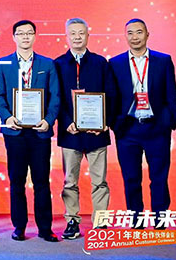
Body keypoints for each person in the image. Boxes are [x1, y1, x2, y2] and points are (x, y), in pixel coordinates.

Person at [0, 20, 60, 242]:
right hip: (14, 132)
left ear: (35, 36)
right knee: (17, 180)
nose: (25, 37)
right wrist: (7, 117)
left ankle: (45, 228)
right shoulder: (3, 64)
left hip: (40, 131)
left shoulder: (47, 64)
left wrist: (48, 120)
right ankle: (19, 226)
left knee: (41, 181)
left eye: (29, 33)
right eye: (20, 33)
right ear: (14, 37)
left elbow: (55, 96)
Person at [109, 19, 176, 228]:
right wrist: (115, 124)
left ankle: (160, 220)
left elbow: (171, 95)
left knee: (159, 177)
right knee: (131, 178)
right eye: (130, 33)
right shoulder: (115, 63)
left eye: (139, 32)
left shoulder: (163, 60)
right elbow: (112, 97)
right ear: (125, 36)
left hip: (157, 128)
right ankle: (136, 220)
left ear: (147, 34)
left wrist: (168, 122)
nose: (135, 37)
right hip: (128, 129)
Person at [53, 18, 117, 239]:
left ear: (88, 35)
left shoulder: (100, 63)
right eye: (73, 33)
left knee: (100, 181)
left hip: (96, 133)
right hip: (70, 133)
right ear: (67, 37)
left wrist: (104, 122)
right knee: (70, 181)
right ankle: (72, 221)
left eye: (81, 33)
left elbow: (111, 95)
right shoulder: (58, 64)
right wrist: (66, 121)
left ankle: (101, 222)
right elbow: (55, 98)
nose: (77, 37)